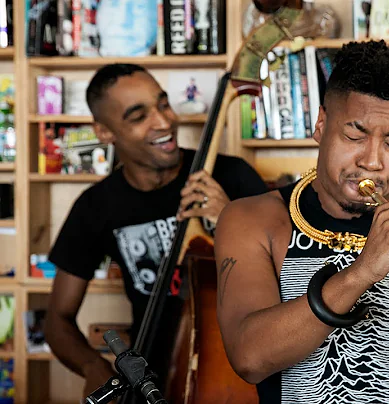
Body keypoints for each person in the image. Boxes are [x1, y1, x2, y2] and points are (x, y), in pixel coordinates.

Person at [213, 39, 389, 403]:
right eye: (354, 135)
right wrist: (362, 272)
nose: (373, 161)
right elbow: (249, 359)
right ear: (320, 125)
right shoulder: (252, 220)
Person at [43, 63, 268, 399]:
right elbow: (57, 320)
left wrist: (230, 221)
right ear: (104, 132)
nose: (164, 122)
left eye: (163, 104)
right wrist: (95, 368)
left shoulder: (233, 176)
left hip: (236, 376)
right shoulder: (95, 207)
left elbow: (292, 276)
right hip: (151, 379)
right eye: (138, 116)